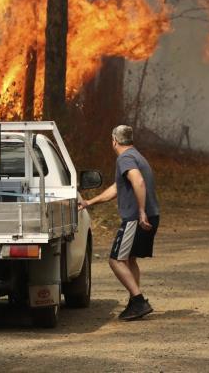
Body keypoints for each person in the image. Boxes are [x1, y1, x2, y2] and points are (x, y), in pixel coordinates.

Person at [79, 125, 160, 321]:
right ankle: (135, 302)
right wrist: (90, 202)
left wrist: (141, 212)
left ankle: (139, 301)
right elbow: (117, 188)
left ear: (114, 140)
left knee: (115, 260)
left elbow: (138, 182)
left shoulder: (125, 158)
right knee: (130, 259)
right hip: (151, 215)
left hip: (136, 218)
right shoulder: (136, 156)